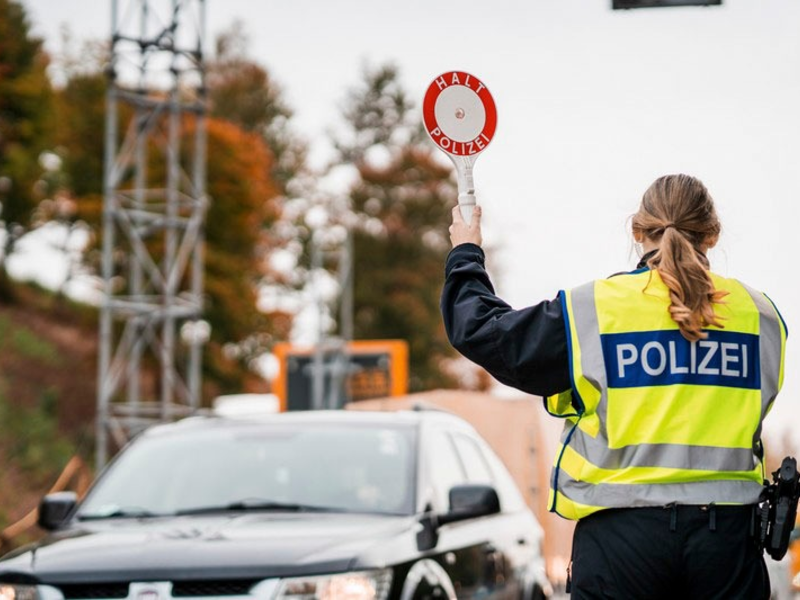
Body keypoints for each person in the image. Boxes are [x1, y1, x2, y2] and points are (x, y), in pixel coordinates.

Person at [440, 174, 787, 599]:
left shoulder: (595, 310)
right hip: (728, 547)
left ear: (638, 230)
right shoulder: (761, 316)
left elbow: (482, 331)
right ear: (711, 235)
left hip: (622, 547)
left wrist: (466, 251)